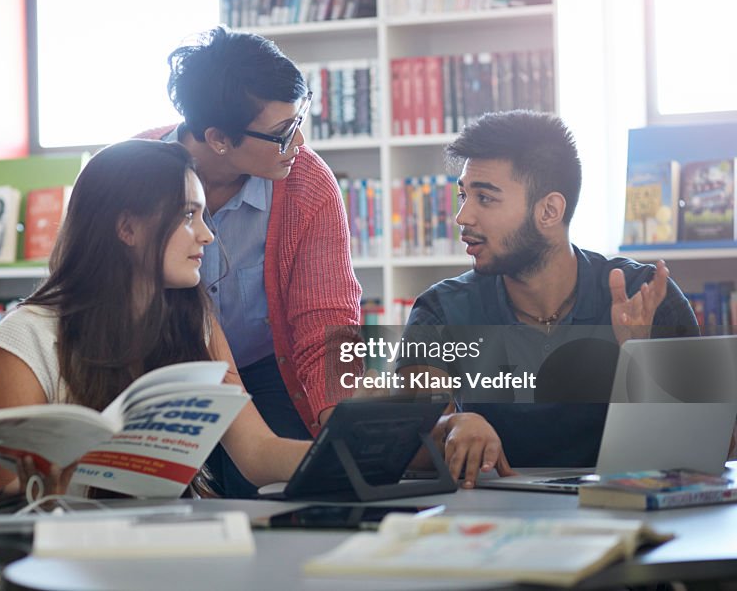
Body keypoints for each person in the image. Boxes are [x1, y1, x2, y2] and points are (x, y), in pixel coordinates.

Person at [0, 139, 310, 495]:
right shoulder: (28, 335)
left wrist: (348, 459)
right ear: (127, 228)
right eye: (187, 215)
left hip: (174, 537)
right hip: (74, 542)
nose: (207, 235)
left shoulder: (196, 322)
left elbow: (256, 452)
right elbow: (12, 492)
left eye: (202, 216)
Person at [399, 110, 698, 478]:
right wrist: (454, 426)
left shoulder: (647, 298)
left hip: (624, 514)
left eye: (485, 198)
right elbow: (408, 442)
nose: (463, 216)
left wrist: (640, 360)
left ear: (549, 210)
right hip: (492, 522)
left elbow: (711, 447)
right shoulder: (441, 311)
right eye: (463, 195)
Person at [134, 27, 363, 496]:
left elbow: (326, 321)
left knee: (291, 492)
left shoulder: (308, 184)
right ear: (218, 138)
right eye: (282, 134)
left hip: (267, 369)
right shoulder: (131, 174)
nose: (298, 144)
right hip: (159, 370)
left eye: (300, 120)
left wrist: (345, 424)